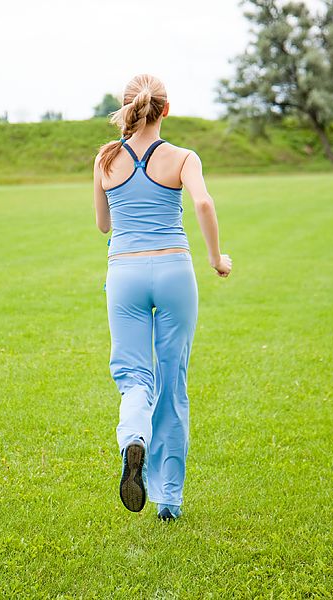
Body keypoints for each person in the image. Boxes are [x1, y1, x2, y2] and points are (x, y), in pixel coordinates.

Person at [93, 73, 232, 522]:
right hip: (174, 269)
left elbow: (103, 225)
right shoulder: (182, 157)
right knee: (173, 383)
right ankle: (168, 500)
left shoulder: (105, 158)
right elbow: (205, 205)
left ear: (127, 108)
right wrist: (216, 258)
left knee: (135, 377)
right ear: (165, 110)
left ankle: (134, 436)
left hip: (125, 273)